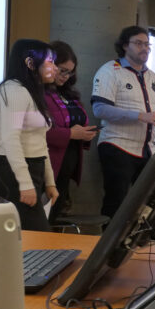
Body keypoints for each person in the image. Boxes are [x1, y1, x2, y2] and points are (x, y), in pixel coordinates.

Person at [91, 26, 155, 218]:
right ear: (125, 46)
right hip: (118, 146)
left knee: (146, 203)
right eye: (138, 43)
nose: (144, 48)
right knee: (117, 201)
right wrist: (139, 116)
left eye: (147, 44)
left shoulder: (152, 76)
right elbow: (100, 109)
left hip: (146, 150)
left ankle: (133, 242)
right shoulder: (110, 71)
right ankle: (109, 245)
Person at [0, 39, 59, 230]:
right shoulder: (14, 90)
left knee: (31, 234)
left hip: (30, 168)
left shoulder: (30, 91)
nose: (55, 67)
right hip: (13, 170)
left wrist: (49, 182)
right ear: (30, 63)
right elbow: (11, 139)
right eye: (50, 61)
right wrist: (25, 184)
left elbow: (40, 141)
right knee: (37, 233)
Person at [44, 40, 98, 223]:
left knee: (56, 216)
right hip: (47, 165)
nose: (66, 76)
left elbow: (76, 122)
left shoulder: (68, 93)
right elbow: (38, 131)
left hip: (67, 163)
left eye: (70, 72)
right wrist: (72, 134)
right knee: (43, 219)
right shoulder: (38, 93)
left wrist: (84, 133)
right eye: (62, 70)